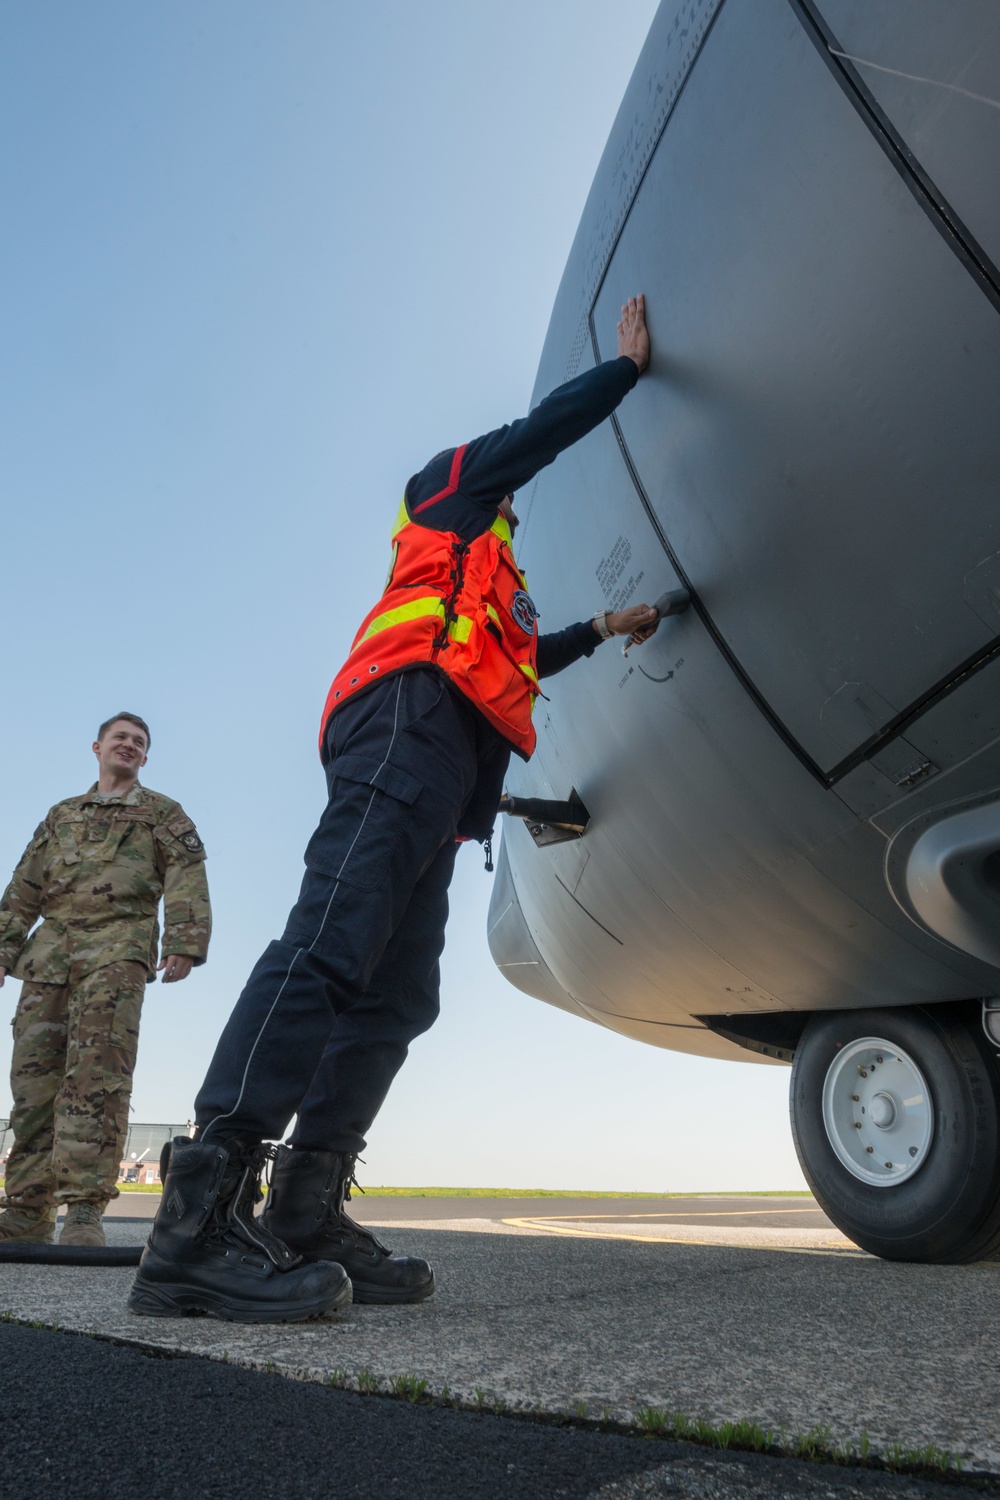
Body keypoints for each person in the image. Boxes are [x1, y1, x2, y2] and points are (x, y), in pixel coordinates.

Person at [129, 295, 657, 1323]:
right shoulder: (446, 492)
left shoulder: (497, 582)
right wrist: (623, 372)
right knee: (332, 941)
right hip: (402, 718)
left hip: (454, 760)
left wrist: (601, 626)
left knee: (400, 990)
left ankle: (302, 1209)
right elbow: (533, 436)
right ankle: (193, 1226)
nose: (510, 501)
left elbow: (516, 658)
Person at [0, 713, 211, 1248]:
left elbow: (187, 874)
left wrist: (185, 942)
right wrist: (3, 949)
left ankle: (85, 1213)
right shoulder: (61, 815)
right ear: (97, 747)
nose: (129, 745)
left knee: (96, 1078)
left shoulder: (161, 812)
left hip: (119, 949)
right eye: (121, 737)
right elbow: (25, 885)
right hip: (49, 955)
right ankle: (25, 1213)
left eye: (139, 742)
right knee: (33, 1082)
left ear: (145, 758)